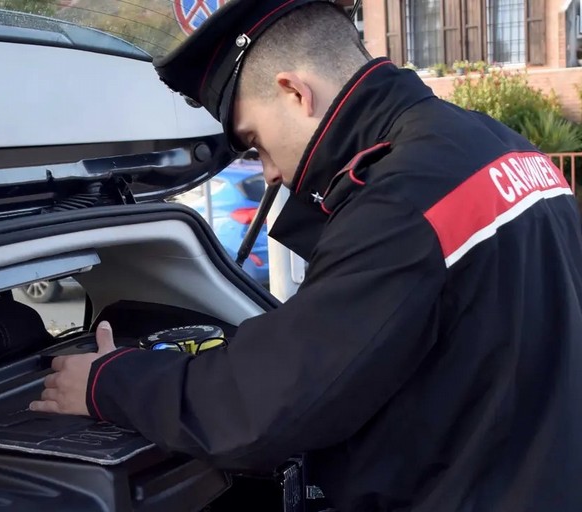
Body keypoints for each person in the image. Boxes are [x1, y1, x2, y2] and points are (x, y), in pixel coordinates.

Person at [29, 0, 582, 510]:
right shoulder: (496, 146)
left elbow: (269, 406)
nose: (268, 171)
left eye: (256, 141)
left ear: (295, 91)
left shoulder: (403, 200)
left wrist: (110, 381)